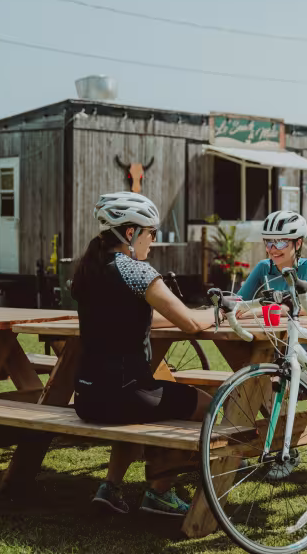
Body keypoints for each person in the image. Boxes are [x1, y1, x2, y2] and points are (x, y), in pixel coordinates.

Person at [70, 191, 214, 517]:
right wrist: (228, 312)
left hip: (87, 397)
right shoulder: (136, 270)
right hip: (123, 395)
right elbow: (191, 323)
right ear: (130, 233)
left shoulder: (89, 270)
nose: (154, 240)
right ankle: (160, 492)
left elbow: (132, 314)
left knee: (142, 404)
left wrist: (179, 315)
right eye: (151, 232)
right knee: (207, 405)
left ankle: (110, 488)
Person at [237, 210, 307, 314]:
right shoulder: (263, 267)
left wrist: (260, 311)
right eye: (269, 242)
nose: (273, 249)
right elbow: (237, 303)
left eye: (280, 242)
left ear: (298, 243)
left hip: (306, 324)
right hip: (273, 325)